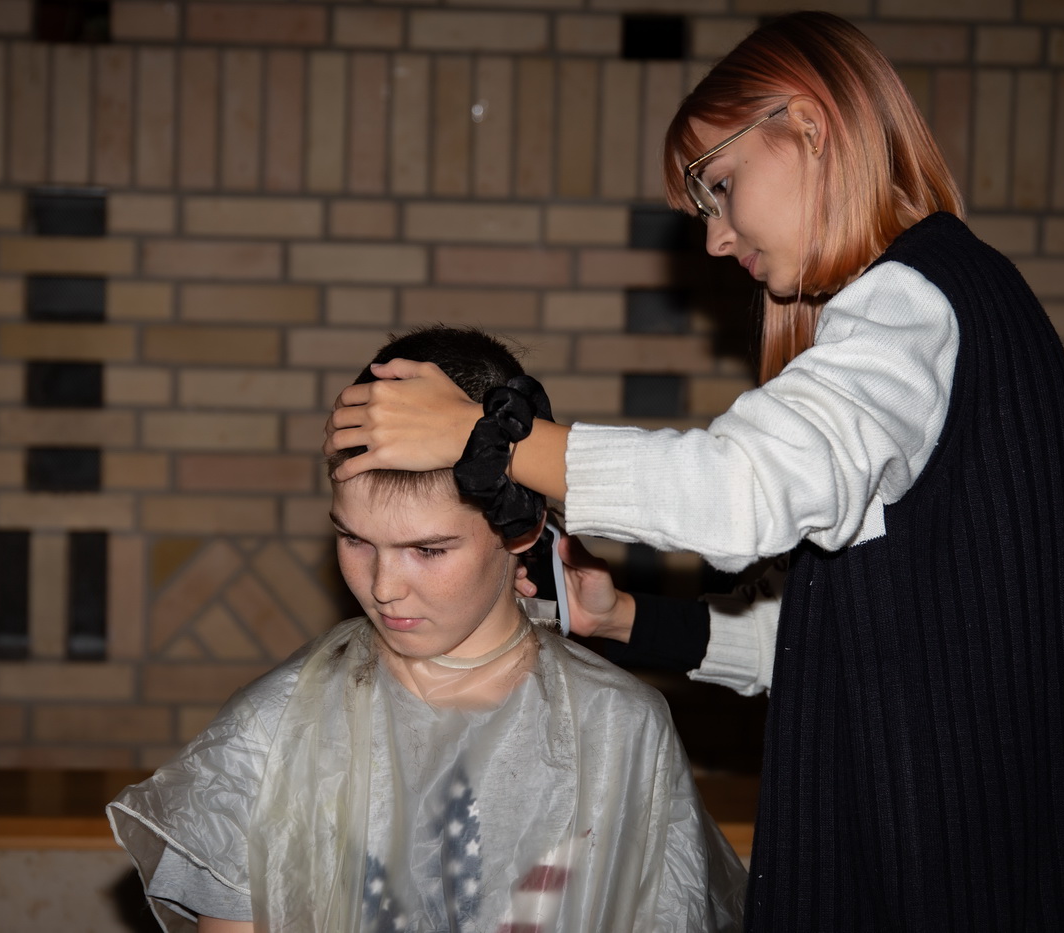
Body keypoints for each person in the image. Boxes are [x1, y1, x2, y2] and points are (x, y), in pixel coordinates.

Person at [324, 12, 1064, 932]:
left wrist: (494, 439)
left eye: (719, 186)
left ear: (808, 123)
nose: (716, 240)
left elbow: (740, 492)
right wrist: (625, 617)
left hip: (943, 883)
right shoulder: (965, 300)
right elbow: (847, 643)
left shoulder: (911, 303)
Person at [108, 326, 747, 933]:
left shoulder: (616, 727)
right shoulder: (272, 730)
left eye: (429, 550)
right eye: (355, 540)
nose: (384, 587)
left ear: (520, 531)